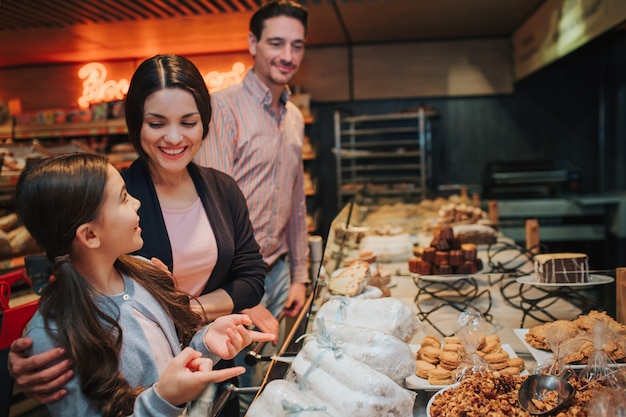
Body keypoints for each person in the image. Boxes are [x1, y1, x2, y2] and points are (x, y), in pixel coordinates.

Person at [8, 54, 267, 417]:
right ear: (136, 124)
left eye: (189, 121)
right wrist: (30, 349)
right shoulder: (104, 196)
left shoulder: (220, 189)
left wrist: (188, 322)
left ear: (204, 122)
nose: (174, 137)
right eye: (157, 123)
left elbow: (251, 276)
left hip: (200, 361)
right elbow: (72, 284)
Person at [13, 152, 274, 417]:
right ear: (90, 235)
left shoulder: (145, 273)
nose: (137, 203)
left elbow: (167, 367)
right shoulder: (53, 337)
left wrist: (204, 344)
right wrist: (165, 399)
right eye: (124, 198)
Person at [193, 0, 310, 411]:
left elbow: (296, 202)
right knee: (222, 387)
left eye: (297, 45)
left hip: (278, 276)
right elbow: (213, 210)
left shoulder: (293, 116)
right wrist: (245, 295)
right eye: (276, 43)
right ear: (253, 44)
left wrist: (299, 275)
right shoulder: (222, 109)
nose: (287, 56)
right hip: (233, 284)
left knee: (264, 385)